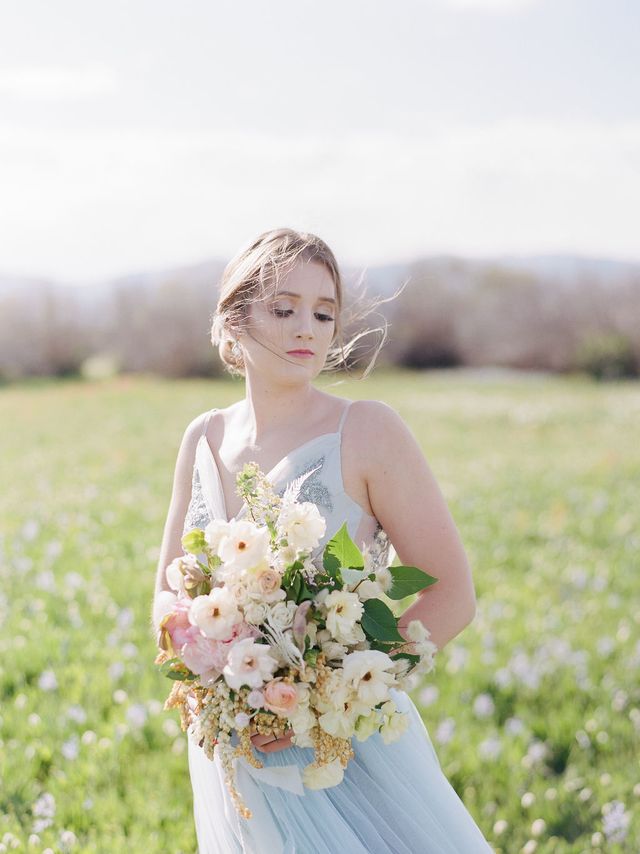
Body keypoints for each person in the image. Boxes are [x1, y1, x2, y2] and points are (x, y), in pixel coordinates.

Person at [152, 228, 494, 853]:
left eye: (323, 312)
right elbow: (167, 599)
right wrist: (221, 682)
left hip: (343, 750)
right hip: (234, 752)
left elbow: (452, 595)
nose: (306, 328)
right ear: (234, 320)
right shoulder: (202, 438)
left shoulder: (368, 431)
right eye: (283, 309)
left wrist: (324, 701)